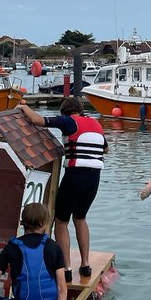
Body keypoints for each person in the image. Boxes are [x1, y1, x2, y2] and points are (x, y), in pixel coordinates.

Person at [19, 96, 107, 282]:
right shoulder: (96, 124)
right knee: (81, 217)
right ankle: (85, 266)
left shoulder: (68, 121)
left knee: (61, 221)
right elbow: (105, 149)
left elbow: (37, 120)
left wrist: (24, 107)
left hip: (75, 175)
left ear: (65, 112)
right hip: (94, 178)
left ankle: (66, 269)